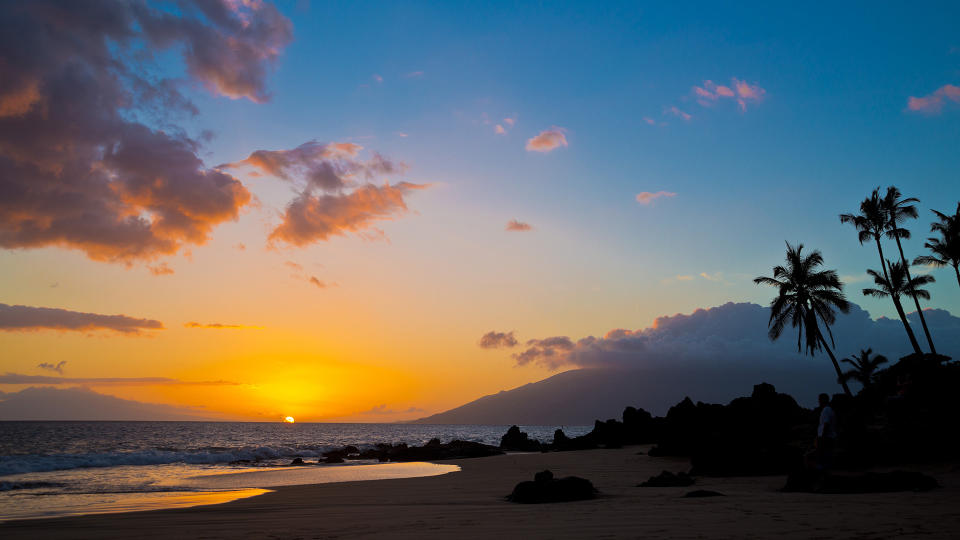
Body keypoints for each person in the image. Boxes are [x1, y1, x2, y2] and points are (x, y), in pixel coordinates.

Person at [815, 393, 836, 470]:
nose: (819, 402)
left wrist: (822, 437)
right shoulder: (830, 410)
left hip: (826, 438)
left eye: (820, 400)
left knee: (822, 457)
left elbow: (826, 424)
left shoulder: (826, 410)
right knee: (827, 457)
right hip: (828, 437)